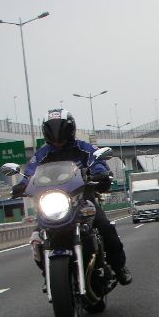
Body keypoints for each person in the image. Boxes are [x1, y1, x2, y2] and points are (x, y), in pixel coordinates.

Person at [12, 108, 132, 285]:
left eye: (61, 130)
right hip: (53, 203)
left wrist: (101, 174)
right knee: (37, 239)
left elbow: (97, 162)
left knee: (105, 227)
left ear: (70, 129)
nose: (57, 137)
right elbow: (30, 172)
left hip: (83, 200)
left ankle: (119, 267)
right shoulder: (42, 154)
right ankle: (49, 275)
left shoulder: (84, 148)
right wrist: (21, 184)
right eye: (52, 131)